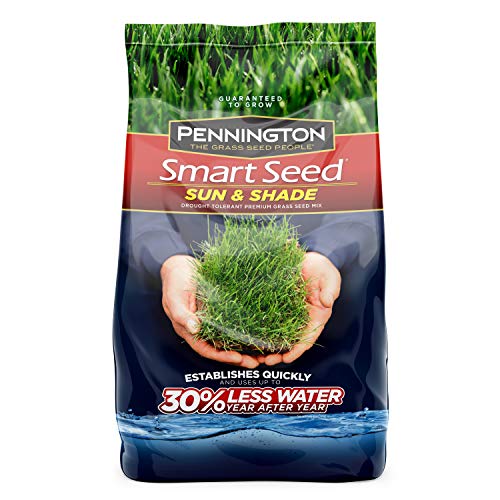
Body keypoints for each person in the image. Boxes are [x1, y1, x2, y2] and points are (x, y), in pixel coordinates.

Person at [129, 212, 379, 368]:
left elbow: (358, 199)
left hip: (333, 337)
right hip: (169, 333)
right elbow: (142, 202)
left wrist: (326, 251)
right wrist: (168, 258)